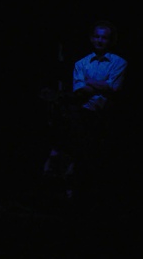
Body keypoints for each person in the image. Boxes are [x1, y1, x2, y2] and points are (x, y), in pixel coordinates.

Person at [45, 20, 127, 205]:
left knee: (102, 156)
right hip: (85, 114)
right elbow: (80, 91)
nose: (100, 40)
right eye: (97, 36)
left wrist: (91, 82)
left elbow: (114, 88)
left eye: (104, 37)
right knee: (82, 153)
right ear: (91, 38)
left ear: (110, 40)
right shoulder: (81, 63)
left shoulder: (119, 62)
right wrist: (101, 85)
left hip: (109, 115)